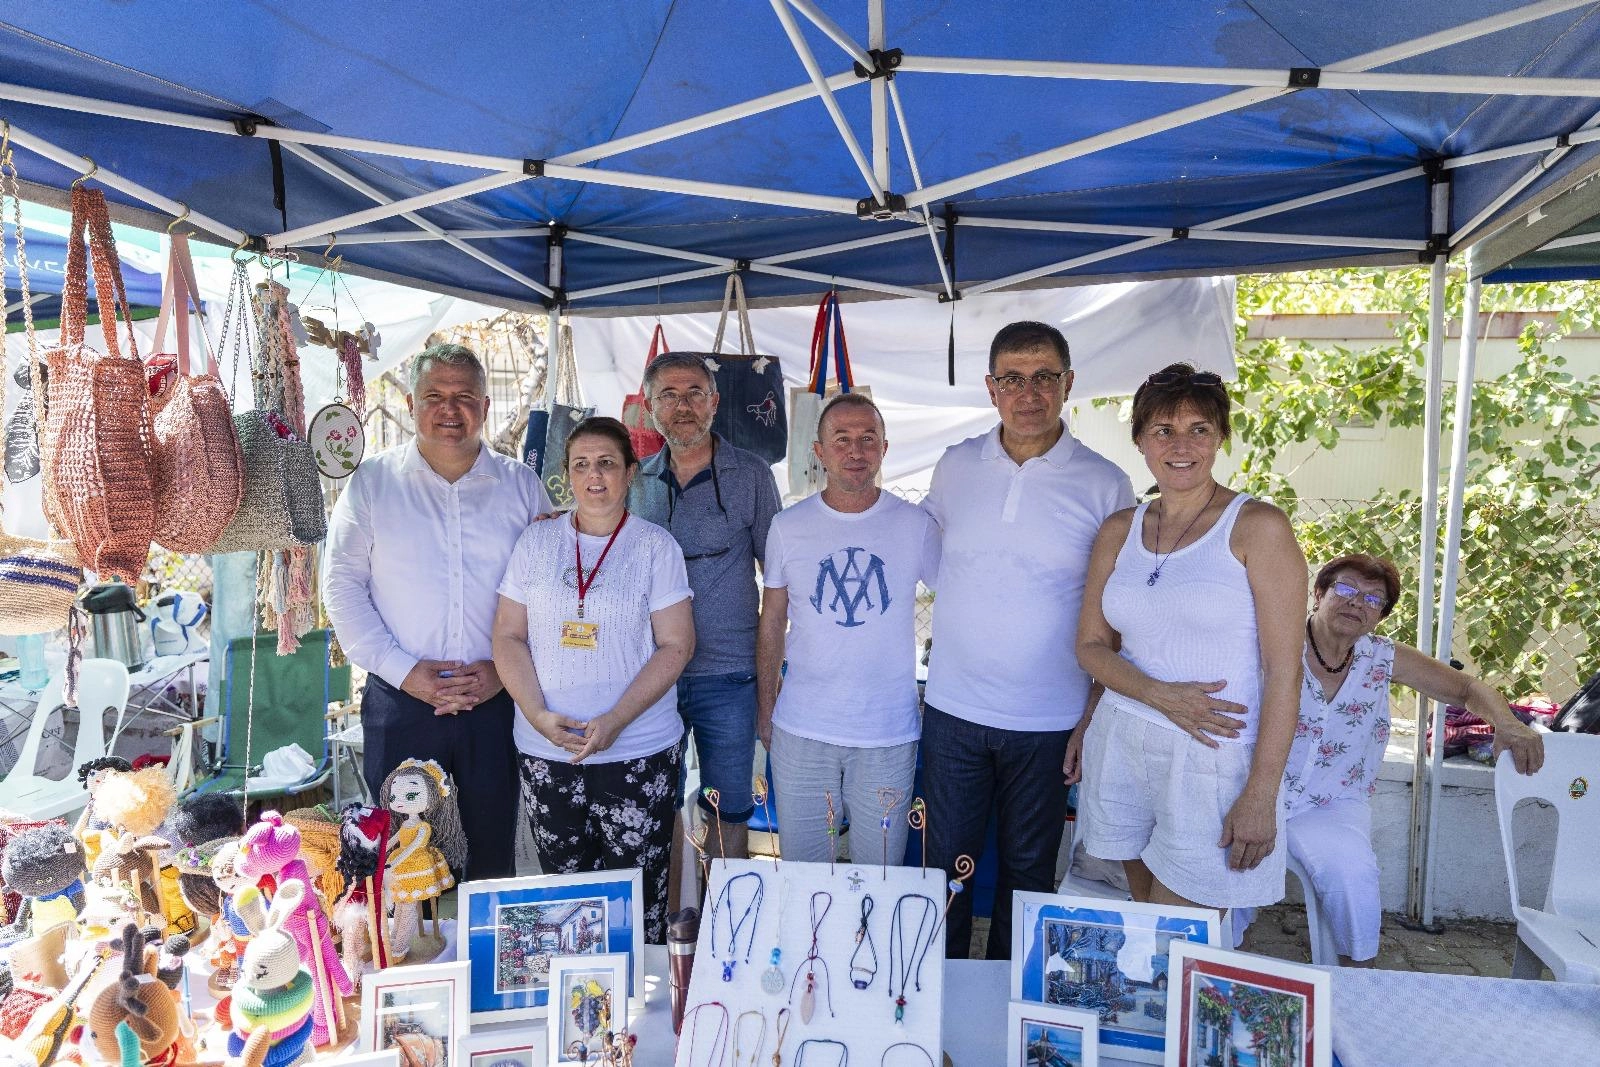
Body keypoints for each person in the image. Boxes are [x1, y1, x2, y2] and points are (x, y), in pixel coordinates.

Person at [922, 321, 1135, 958]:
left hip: (1050, 720)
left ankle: (1004, 1006)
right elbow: (929, 560)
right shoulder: (955, 466)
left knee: (1027, 875)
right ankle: (938, 998)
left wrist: (1089, 718)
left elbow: (1117, 616)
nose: (1029, 393)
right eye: (1012, 379)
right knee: (942, 871)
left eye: (1044, 377)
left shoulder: (1106, 483)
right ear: (991, 389)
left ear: (1068, 384)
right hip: (953, 710)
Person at [1074, 362, 1307, 911]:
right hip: (1123, 742)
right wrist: (1160, 695)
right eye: (1163, 430)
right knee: (1149, 929)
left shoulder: (1258, 527)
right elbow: (1090, 646)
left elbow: (1285, 673)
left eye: (1199, 429)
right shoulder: (1119, 529)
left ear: (1221, 436)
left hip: (1212, 759)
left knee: (1184, 932)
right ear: (1139, 440)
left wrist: (1261, 794)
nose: (1181, 446)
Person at [324, 343, 551, 881]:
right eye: (434, 396)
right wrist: (406, 672)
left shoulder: (521, 487)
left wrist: (505, 672)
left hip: (496, 704)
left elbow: (550, 592)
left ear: (486, 406)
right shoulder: (372, 484)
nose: (450, 409)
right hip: (401, 703)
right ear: (410, 404)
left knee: (490, 862)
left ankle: (484, 938)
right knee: (404, 868)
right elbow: (341, 586)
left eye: (465, 396)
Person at [1260, 552, 1545, 964]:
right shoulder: (1277, 640)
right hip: (1259, 789)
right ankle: (1214, 969)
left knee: (1354, 878)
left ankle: (1359, 980)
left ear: (1380, 616)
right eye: (1345, 588)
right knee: (1224, 878)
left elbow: (1466, 688)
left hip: (1331, 801)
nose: (1356, 603)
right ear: (1318, 594)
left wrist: (1508, 723)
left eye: (1372, 599)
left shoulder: (1381, 655)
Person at [494, 416, 695, 941]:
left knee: (638, 899)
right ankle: (578, 991)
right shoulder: (536, 543)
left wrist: (616, 720)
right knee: (566, 902)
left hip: (637, 750)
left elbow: (677, 645)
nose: (594, 476)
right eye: (581, 465)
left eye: (607, 463)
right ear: (567, 475)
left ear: (631, 472)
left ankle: (641, 994)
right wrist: (538, 715)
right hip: (547, 750)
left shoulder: (655, 547)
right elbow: (507, 637)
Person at [755, 393, 939, 865]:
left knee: (880, 871)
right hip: (802, 728)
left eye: (867, 439)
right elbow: (772, 620)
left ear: (884, 448)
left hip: (887, 732)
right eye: (841, 440)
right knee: (804, 869)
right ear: (819, 451)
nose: (855, 451)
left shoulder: (915, 525)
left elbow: (954, 602)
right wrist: (766, 707)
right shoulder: (788, 526)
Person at [629, 352, 782, 894]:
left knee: (729, 810)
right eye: (668, 395)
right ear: (650, 409)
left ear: (715, 402)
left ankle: (725, 925)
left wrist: (770, 685)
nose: (683, 406)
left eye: (695, 392)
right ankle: (673, 925)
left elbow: (778, 583)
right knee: (658, 807)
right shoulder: (634, 480)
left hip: (731, 678)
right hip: (652, 679)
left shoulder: (752, 475)